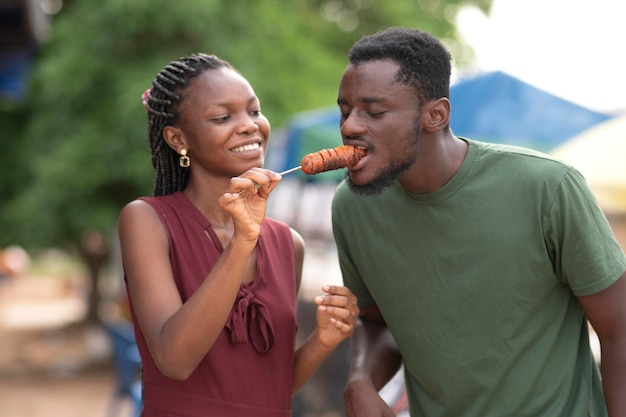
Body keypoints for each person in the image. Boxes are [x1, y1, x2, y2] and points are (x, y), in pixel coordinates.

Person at [332, 27, 626, 417]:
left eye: (374, 111)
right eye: (345, 110)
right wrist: (360, 381)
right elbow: (376, 323)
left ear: (435, 115)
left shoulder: (546, 187)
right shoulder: (352, 207)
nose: (350, 126)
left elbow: (619, 329)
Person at [118, 53, 359, 417]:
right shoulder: (148, 221)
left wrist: (322, 342)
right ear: (177, 138)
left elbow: (270, 387)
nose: (249, 126)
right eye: (222, 117)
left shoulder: (288, 244)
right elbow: (174, 360)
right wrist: (241, 242)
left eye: (254, 111)